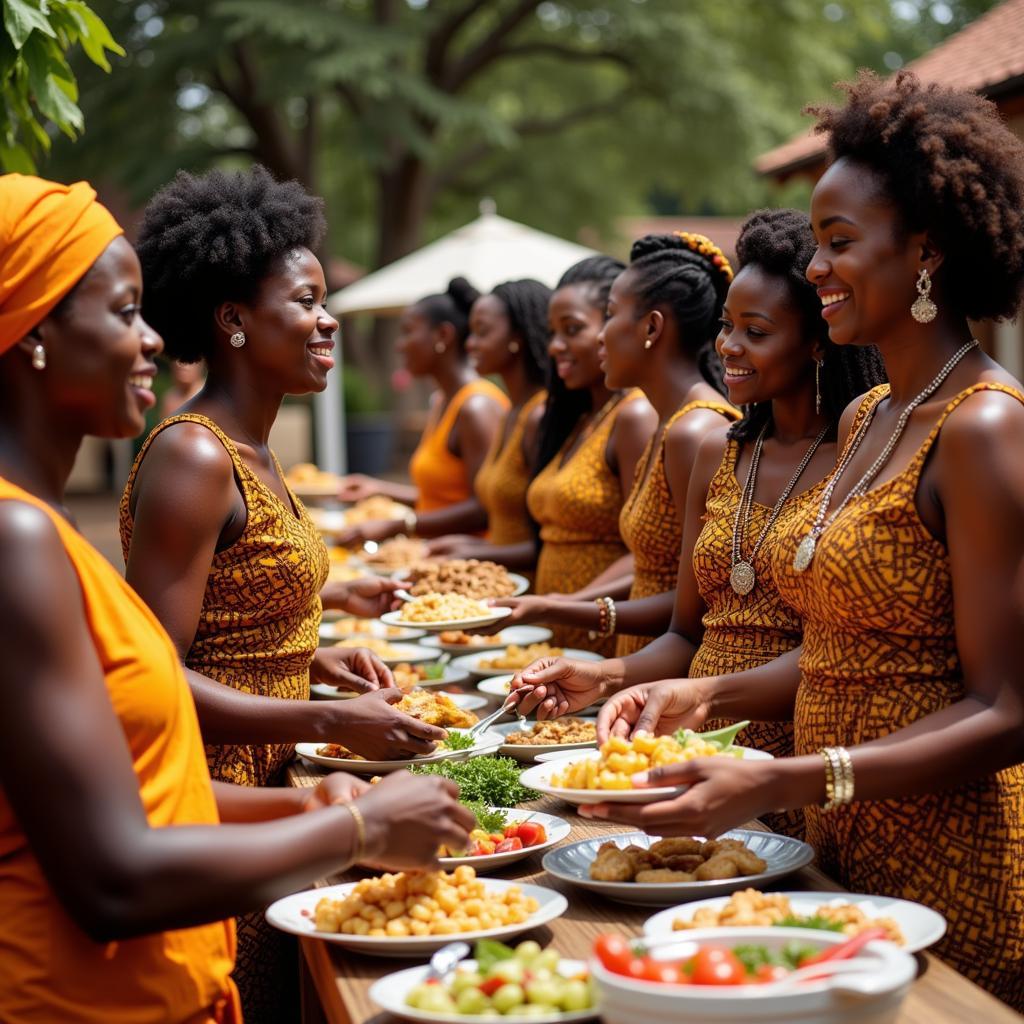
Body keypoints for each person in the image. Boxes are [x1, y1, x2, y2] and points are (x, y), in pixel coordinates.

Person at [584, 73, 1024, 1006]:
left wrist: (791, 776)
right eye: (816, 244)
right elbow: (841, 652)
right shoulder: (868, 417)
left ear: (928, 253)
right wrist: (699, 693)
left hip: (946, 862)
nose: (816, 268)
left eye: (839, 244)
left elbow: (1007, 707)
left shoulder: (984, 428)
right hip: (829, 842)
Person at [0, 174, 473, 1024]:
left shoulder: (44, 531)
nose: (150, 343)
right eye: (119, 314)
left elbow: (137, 743)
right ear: (34, 334)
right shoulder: (37, 530)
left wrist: (315, 775)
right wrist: (346, 799)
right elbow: (114, 864)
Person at [120, 167, 451, 1021]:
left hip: (287, 788)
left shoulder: (257, 451)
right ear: (233, 320)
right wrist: (331, 721)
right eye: (306, 301)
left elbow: (237, 626)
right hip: (227, 803)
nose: (328, 317)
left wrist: (314, 658)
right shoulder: (196, 457)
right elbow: (152, 684)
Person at [512, 210, 886, 838]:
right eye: (726, 326)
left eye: (756, 331)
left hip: (793, 757)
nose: (729, 347)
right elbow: (687, 633)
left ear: (817, 340)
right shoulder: (723, 450)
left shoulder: (857, 450)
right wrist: (599, 678)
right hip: (695, 748)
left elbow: (840, 650)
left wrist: (707, 694)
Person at [495, 233, 739, 650]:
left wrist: (557, 607)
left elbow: (700, 610)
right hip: (634, 663)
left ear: (651, 327)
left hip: (660, 679)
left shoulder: (695, 431)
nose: (602, 335)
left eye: (609, 315)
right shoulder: (669, 423)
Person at [348, 279, 551, 548]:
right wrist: (380, 490)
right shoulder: (446, 401)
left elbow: (485, 507)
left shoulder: (479, 406)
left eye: (407, 332)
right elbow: (446, 496)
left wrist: (400, 525)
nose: (400, 345)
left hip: (479, 564)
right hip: (445, 554)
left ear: (443, 336)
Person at [522, 257, 658, 655]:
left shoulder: (634, 415)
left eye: (573, 329)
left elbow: (649, 552)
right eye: (552, 333)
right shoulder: (581, 420)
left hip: (605, 635)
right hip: (556, 631)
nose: (555, 346)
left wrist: (572, 604)